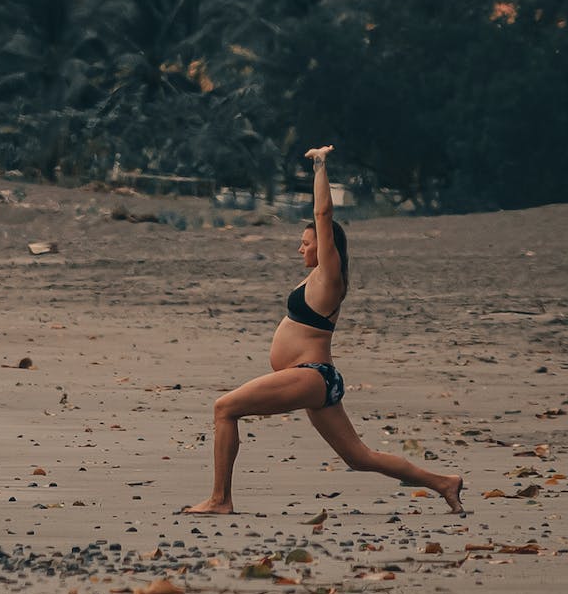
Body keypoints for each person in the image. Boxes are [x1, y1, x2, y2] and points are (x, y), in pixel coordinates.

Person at [180, 145, 464, 515]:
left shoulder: (330, 277)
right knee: (360, 457)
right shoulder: (314, 277)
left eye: (307, 242)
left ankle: (220, 499)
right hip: (315, 380)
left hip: (311, 376)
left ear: (326, 245)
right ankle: (445, 483)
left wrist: (319, 166)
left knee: (224, 409)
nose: (300, 248)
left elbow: (323, 212)